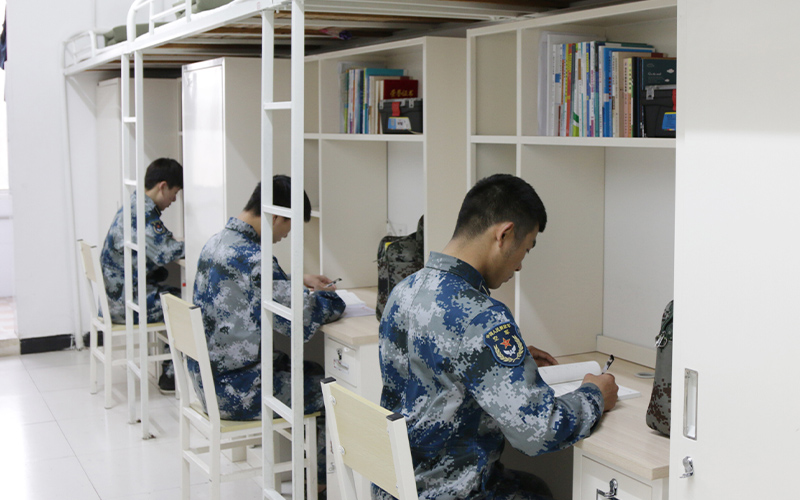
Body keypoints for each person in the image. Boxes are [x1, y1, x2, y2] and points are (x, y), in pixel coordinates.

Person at [377, 174, 619, 500]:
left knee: (534, 486)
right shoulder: (482, 315)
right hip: (450, 492)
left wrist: (503, 363)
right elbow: (538, 431)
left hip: (397, 485)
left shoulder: (405, 289)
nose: (519, 266)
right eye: (526, 250)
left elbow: (433, 367)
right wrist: (595, 394)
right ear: (504, 235)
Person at [190, 176, 345, 487]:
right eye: (288, 227)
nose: (285, 236)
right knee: (331, 395)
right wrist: (331, 298)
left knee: (312, 370)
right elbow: (299, 318)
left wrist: (295, 279)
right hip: (236, 391)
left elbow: (249, 286)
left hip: (207, 382)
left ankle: (309, 475)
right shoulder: (255, 258)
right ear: (276, 216)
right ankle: (320, 486)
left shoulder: (217, 243)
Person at [101, 157, 184, 393]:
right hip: (125, 305)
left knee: (171, 291)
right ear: (163, 186)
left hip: (114, 300)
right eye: (174, 193)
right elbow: (167, 251)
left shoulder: (133, 206)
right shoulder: (144, 216)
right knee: (183, 303)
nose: (174, 200)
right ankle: (171, 376)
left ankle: (171, 367)